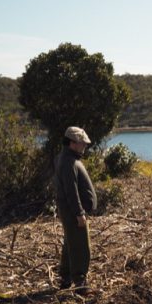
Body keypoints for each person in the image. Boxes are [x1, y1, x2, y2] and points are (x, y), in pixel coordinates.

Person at [54, 126, 97, 294]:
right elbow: (70, 190)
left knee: (71, 243)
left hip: (71, 211)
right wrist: (79, 213)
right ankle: (81, 283)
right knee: (80, 246)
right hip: (73, 212)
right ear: (72, 143)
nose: (84, 146)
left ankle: (65, 279)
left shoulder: (68, 159)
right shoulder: (68, 161)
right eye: (82, 143)